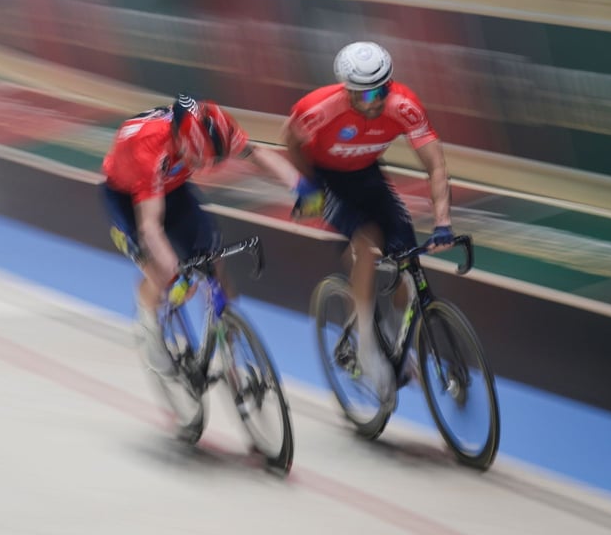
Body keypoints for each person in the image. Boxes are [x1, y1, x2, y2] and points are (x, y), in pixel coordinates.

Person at [284, 41, 455, 409]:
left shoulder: (403, 106)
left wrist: (443, 221)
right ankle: (364, 346)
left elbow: (436, 166)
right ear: (346, 89)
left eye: (382, 90)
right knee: (367, 243)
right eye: (364, 94)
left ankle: (394, 338)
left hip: (367, 176)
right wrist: (308, 183)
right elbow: (291, 139)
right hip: (328, 180)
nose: (375, 102)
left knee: (408, 258)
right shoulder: (319, 108)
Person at [102, 94, 301, 375]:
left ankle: (231, 352)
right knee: (163, 277)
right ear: (183, 142)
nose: (205, 167)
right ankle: (147, 319)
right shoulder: (150, 150)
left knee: (213, 266)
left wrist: (301, 186)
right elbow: (150, 227)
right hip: (128, 197)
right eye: (199, 160)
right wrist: (176, 273)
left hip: (173, 189)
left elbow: (256, 154)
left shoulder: (215, 125)